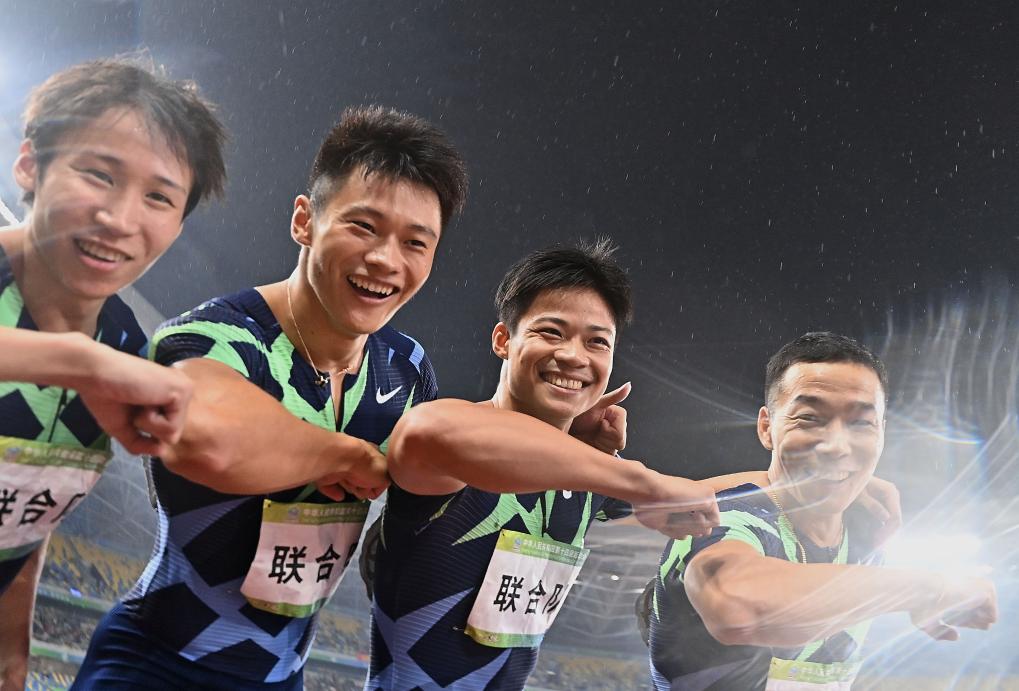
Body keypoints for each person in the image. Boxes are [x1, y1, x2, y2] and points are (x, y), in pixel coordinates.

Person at [72, 106, 468, 690]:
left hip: (283, 677)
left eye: (415, 242)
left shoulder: (406, 368)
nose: (386, 260)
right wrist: (345, 455)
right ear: (304, 220)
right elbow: (201, 435)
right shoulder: (216, 336)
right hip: (155, 668)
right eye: (363, 226)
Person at [366, 241, 788, 690]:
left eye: (597, 342)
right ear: (503, 340)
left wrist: (817, 479)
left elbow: (700, 496)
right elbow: (427, 432)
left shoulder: (586, 479)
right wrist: (639, 479)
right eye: (551, 332)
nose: (573, 356)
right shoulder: (457, 450)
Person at [0, 58, 226, 689]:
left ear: (178, 225)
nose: (121, 219)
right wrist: (81, 363)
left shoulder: (125, 342)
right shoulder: (105, 361)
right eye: (98, 174)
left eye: (159, 197)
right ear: (30, 165)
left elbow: (26, 515)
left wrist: (13, 654)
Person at [645, 332, 998, 690]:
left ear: (882, 432)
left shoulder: (868, 529)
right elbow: (739, 609)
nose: (836, 446)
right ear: (767, 428)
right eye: (810, 418)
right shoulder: (717, 520)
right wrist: (923, 589)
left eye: (861, 422)